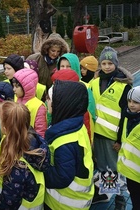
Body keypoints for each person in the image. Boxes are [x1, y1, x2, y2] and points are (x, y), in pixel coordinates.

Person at [0, 101, 47, 210]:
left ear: (6, 129)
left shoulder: (17, 167)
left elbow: (7, 203)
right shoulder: (30, 142)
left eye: (0, 121)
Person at [91, 46, 133, 209]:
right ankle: (109, 195)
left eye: (110, 63)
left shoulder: (124, 86)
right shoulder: (94, 83)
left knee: (113, 169)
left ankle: (120, 198)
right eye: (104, 63)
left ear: (116, 64)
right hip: (96, 135)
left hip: (111, 137)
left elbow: (125, 117)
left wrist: (119, 140)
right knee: (103, 168)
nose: (107, 66)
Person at [44, 80, 94, 210]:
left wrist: (40, 169)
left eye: (49, 99)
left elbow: (61, 178)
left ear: (61, 104)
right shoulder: (76, 124)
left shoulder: (65, 141)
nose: (46, 102)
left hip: (64, 204)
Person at [54, 53, 96, 143]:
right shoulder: (55, 86)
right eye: (62, 66)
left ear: (75, 67)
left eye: (68, 66)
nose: (65, 69)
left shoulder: (84, 87)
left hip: (78, 130)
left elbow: (90, 112)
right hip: (58, 130)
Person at [117, 86, 140, 210]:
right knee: (135, 198)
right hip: (130, 172)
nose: (131, 105)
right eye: (129, 101)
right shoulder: (128, 116)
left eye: (136, 102)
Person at [12, 68, 47, 137]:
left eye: (17, 86)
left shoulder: (38, 107)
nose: (14, 89)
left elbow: (41, 132)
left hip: (30, 144)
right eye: (13, 86)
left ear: (26, 87)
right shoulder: (16, 98)